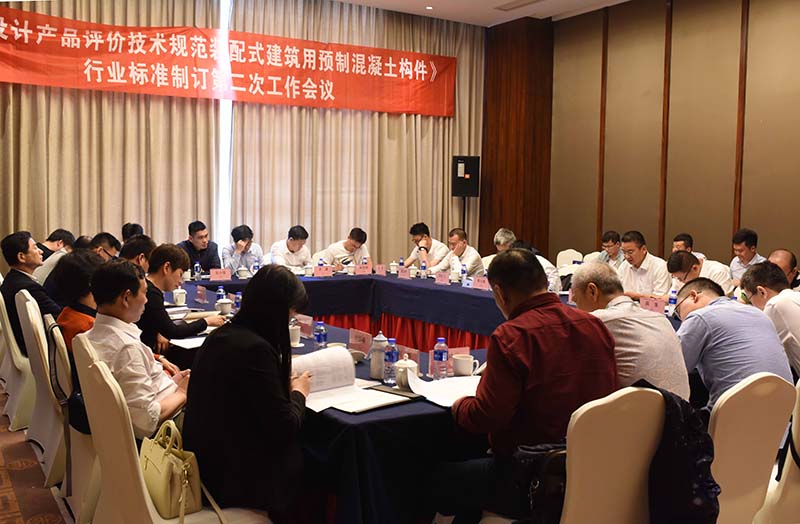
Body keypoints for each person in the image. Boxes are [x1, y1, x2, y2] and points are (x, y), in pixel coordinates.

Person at [430, 249, 616, 522]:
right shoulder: (595, 325)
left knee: (431, 477)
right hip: (589, 467)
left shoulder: (512, 335)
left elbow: (487, 416)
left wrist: (460, 406)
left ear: (500, 293)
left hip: (529, 474)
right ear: (545, 282)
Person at [183, 266, 311, 523]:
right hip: (233, 479)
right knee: (314, 461)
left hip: (206, 464)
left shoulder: (222, 336)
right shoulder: (255, 349)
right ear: (276, 311)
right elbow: (284, 426)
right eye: (289, 316)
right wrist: (299, 392)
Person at [86, 260, 189, 439]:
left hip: (161, 400)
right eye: (144, 293)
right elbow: (147, 422)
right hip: (166, 427)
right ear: (126, 298)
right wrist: (182, 392)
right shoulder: (126, 348)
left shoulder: (90, 336)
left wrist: (172, 382)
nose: (146, 300)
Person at [571, 262, 690, 398]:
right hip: (682, 407)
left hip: (643, 410)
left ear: (592, 291)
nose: (575, 304)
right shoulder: (660, 317)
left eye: (576, 299)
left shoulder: (598, 321)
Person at [675, 277, 792, 411]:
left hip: (732, 415)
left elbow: (674, 368)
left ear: (693, 296)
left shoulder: (701, 316)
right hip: (782, 414)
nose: (681, 318)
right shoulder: (759, 314)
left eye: (678, 310)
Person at [136, 244, 225, 369]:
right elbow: (173, 331)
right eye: (180, 274)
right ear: (166, 268)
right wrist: (206, 322)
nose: (180, 281)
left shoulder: (149, 288)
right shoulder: (151, 293)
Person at [1, 231, 63, 356]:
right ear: (21, 257)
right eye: (35, 248)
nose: (41, 251)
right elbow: (60, 318)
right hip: (37, 352)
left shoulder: (12, 280)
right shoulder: (27, 287)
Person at [741, 262, 800, 376]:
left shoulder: (775, 304)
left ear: (761, 291)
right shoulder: (795, 296)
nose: (752, 305)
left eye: (750, 299)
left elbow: (758, 350)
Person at [617, 230, 671, 300]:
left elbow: (660, 299)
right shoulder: (624, 266)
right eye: (624, 252)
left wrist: (636, 296)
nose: (626, 256)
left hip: (651, 307)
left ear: (643, 249)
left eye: (630, 252)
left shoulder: (659, 266)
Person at [667, 250, 734, 296]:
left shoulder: (717, 272)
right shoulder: (681, 275)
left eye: (681, 278)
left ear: (694, 268)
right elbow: (671, 297)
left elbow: (719, 302)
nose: (680, 281)